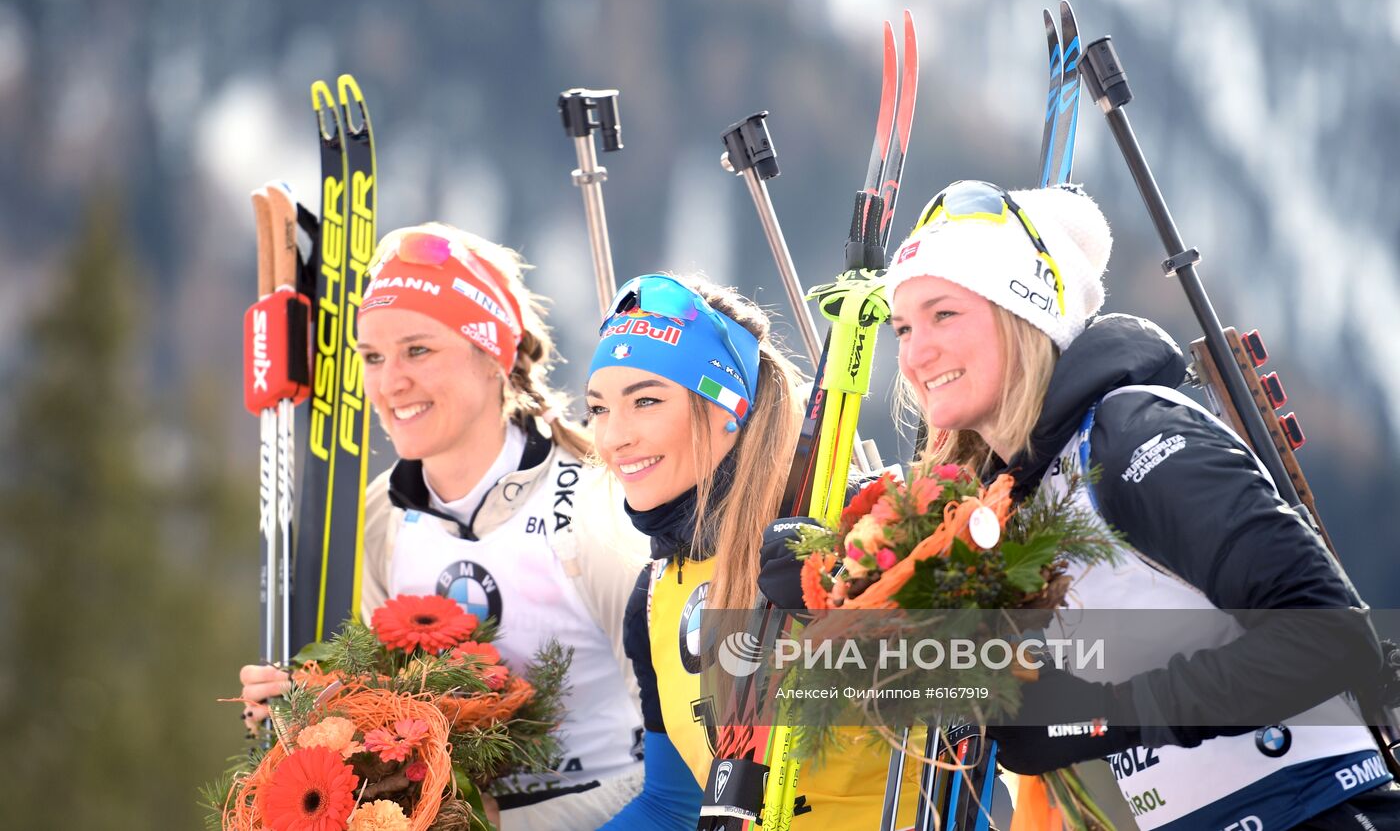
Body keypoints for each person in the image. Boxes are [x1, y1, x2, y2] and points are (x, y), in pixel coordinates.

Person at [877, 179, 1399, 829]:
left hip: (1316, 807)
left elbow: (1333, 636)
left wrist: (1102, 714)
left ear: (1025, 310)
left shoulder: (1130, 432)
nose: (915, 353)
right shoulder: (1016, 493)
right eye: (903, 326)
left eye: (943, 314)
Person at [240, 223, 649, 831]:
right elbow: (386, 722)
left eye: (418, 350)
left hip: (613, 806)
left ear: (493, 356)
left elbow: (690, 741)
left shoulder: (593, 501)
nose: (390, 382)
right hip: (462, 815)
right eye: (373, 358)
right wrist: (309, 711)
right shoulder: (380, 518)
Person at [586, 273, 923, 830]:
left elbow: (1011, 692)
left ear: (729, 409)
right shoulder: (654, 596)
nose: (613, 437)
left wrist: (861, 607)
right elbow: (672, 807)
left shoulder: (860, 524)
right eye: (598, 408)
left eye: (646, 400)